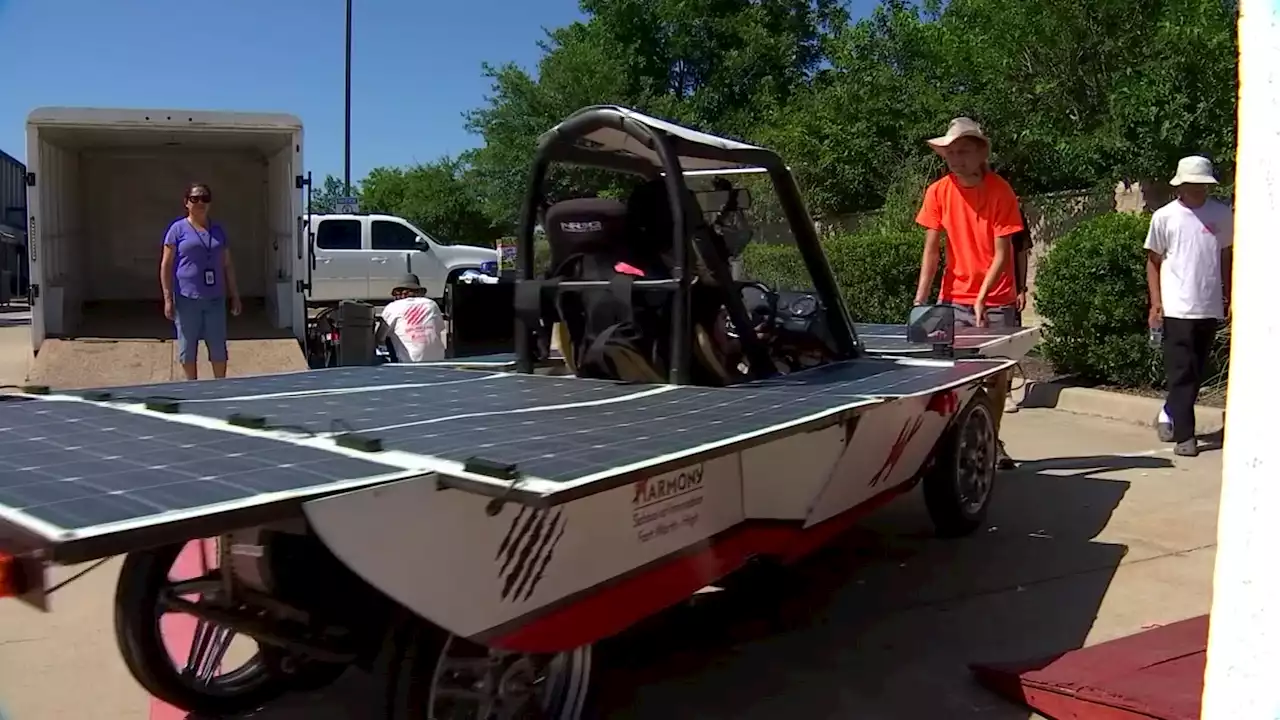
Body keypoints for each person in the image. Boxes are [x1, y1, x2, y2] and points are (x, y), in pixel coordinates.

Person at [911, 117, 1024, 469]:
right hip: (952, 297)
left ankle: (991, 440)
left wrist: (982, 297)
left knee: (996, 378)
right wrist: (920, 299)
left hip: (996, 298)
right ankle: (955, 440)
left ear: (979, 153)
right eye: (949, 153)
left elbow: (1002, 253)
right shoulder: (938, 191)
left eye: (962, 151)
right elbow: (932, 249)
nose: (955, 159)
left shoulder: (1000, 191)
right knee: (951, 376)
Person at [1145, 155, 1233, 457]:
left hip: (1208, 304)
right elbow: (1153, 261)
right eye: (1192, 184)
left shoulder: (1221, 215)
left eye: (1203, 185)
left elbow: (1225, 257)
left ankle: (1169, 411)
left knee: (1196, 371)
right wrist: (1156, 303)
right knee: (1181, 371)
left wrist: (1228, 293)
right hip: (1177, 307)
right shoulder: (1165, 217)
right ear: (1180, 185)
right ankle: (1185, 436)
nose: (1198, 190)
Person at [160, 182, 242, 380]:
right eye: (194, 199)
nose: (200, 203)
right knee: (188, 348)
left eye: (204, 198)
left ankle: (220, 387)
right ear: (186, 203)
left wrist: (235, 296)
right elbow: (166, 266)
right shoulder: (177, 229)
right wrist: (168, 298)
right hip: (187, 298)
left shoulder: (218, 230)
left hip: (215, 298)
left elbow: (227, 265)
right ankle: (193, 388)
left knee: (218, 347)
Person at [378, 274, 446, 362]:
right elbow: (439, 328)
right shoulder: (431, 304)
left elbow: (379, 338)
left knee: (387, 335)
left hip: (409, 362)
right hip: (437, 360)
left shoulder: (393, 307)